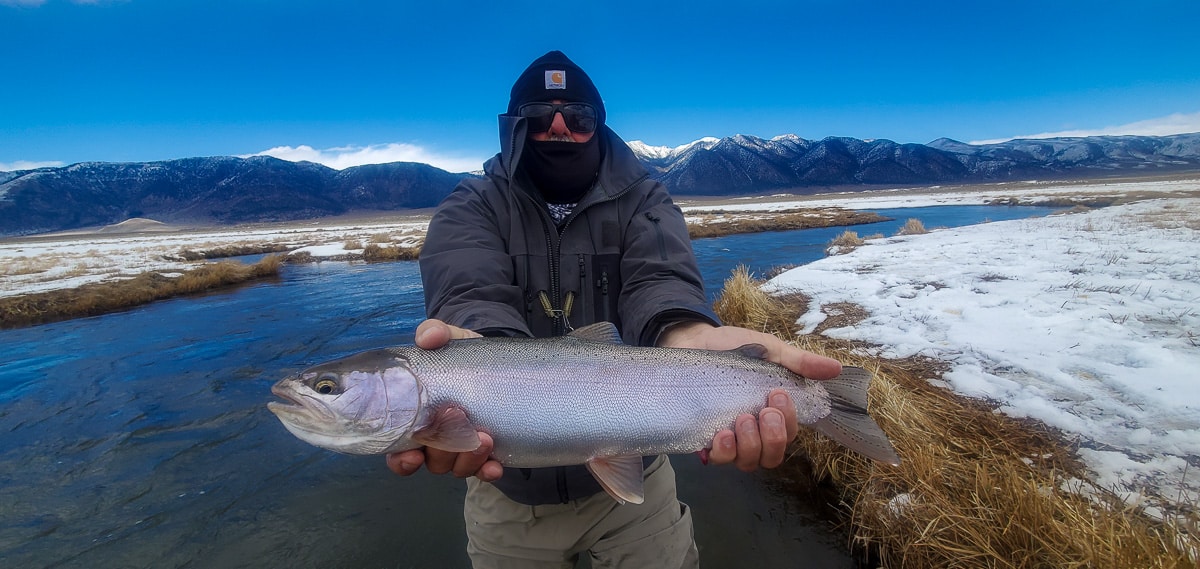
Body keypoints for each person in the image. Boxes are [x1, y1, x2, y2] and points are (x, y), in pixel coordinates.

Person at [386, 50, 843, 568]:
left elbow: (662, 284)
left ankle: (837, 405)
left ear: (597, 125)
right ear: (513, 128)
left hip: (639, 491)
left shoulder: (644, 198)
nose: (559, 128)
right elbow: (469, 294)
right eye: (539, 117)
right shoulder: (471, 205)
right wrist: (477, 357)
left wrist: (688, 333)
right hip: (508, 496)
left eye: (577, 118)